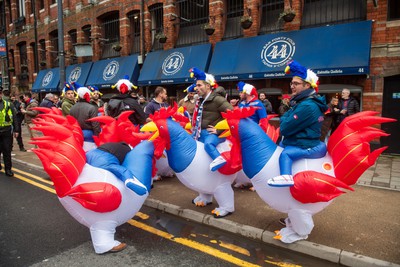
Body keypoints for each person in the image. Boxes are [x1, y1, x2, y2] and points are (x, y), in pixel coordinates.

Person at [267, 60, 328, 187]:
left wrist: (285, 115)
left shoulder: (307, 105)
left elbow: (284, 128)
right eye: (291, 83)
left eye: (296, 83)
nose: (292, 86)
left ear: (307, 86)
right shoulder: (301, 102)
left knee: (285, 154)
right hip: (300, 140)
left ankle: (286, 177)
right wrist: (288, 114)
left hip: (304, 144)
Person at [190, 67, 233, 171]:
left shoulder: (218, 99)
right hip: (200, 133)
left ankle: (219, 159)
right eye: (196, 85)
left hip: (215, 135)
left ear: (208, 86)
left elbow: (233, 115)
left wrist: (219, 130)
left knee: (209, 144)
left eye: (199, 85)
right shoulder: (200, 100)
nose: (196, 88)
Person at [69, 85, 101, 150]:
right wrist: (97, 138)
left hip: (77, 134)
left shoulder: (72, 108)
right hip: (90, 136)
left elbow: (71, 123)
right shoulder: (91, 108)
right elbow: (95, 125)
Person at [0, 86, 20, 176]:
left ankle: (8, 169)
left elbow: (15, 118)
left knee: (7, 151)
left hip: (6, 131)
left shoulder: (8, 104)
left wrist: (16, 130)